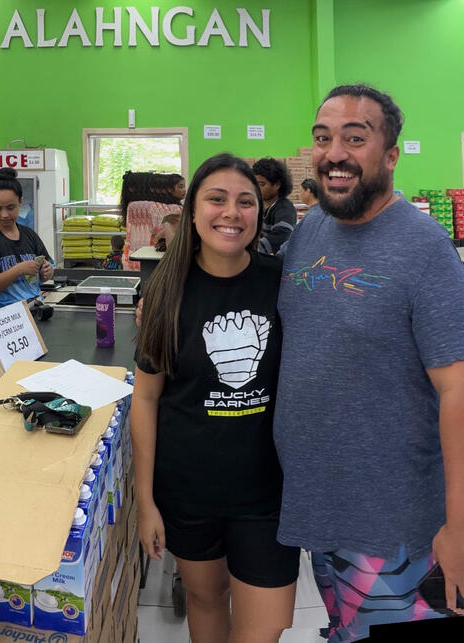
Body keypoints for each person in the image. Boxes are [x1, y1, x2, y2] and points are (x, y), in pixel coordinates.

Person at [272, 84, 464, 642]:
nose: (334, 153)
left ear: (390, 155)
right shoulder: (310, 231)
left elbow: (460, 390)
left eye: (355, 138)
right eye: (323, 138)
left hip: (393, 522)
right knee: (345, 629)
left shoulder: (424, 247)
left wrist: (462, 526)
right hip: (322, 505)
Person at [131, 153, 299, 643]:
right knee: (205, 599)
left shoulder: (282, 284)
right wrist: (146, 503)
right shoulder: (164, 290)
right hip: (189, 489)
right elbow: (145, 400)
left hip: (268, 491)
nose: (232, 212)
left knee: (264, 626)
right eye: (217, 199)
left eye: (245, 201)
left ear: (260, 212)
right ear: (192, 211)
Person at [0, 168, 54, 308]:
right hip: (5, 317)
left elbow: (48, 268)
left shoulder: (29, 235)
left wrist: (48, 271)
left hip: (36, 307)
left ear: (21, 202)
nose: (4, 214)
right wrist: (18, 270)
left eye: (10, 207)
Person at [252, 158, 297, 255]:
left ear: (277, 185)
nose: (256, 189)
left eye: (261, 184)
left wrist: (254, 250)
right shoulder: (259, 206)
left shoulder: (285, 208)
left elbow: (283, 234)